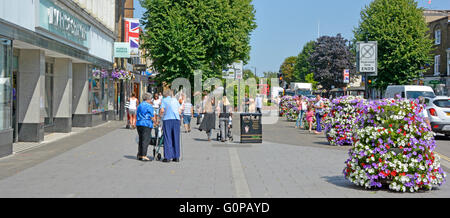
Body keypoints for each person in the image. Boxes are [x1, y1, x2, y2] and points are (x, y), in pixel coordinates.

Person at [160, 89, 182, 163]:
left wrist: (160, 117)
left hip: (167, 119)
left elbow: (162, 110)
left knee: (167, 138)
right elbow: (180, 110)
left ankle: (168, 157)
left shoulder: (164, 100)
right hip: (176, 120)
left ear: (165, 94)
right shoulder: (175, 100)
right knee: (176, 137)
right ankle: (176, 156)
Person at [136, 93, 156, 162]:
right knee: (146, 140)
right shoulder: (149, 106)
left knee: (141, 139)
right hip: (146, 124)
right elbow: (152, 116)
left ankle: (140, 154)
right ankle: (143, 155)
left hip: (139, 123)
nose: (151, 100)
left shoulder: (139, 105)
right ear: (148, 99)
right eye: (151, 99)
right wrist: (155, 122)